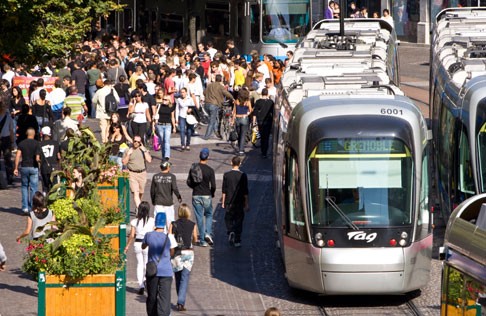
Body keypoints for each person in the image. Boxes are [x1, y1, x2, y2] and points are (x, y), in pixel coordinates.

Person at [142, 212, 177, 316]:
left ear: (155, 222)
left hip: (152, 271)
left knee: (152, 295)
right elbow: (172, 252)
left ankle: (151, 313)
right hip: (166, 271)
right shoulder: (169, 237)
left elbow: (143, 246)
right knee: (165, 297)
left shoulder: (149, 235)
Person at [169, 203, 197, 312]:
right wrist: (191, 241)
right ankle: (181, 302)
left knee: (178, 277)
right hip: (188, 253)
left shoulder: (173, 224)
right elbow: (195, 238)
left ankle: (180, 300)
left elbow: (169, 237)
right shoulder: (192, 224)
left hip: (176, 253)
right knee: (185, 277)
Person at [187, 148, 216, 247]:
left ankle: (203, 241)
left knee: (199, 217)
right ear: (208, 157)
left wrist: (194, 188)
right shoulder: (210, 170)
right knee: (208, 214)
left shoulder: (194, 168)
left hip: (196, 195)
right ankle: (208, 233)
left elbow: (189, 182)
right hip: (207, 195)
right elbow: (214, 186)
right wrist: (211, 193)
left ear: (199, 156)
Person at [125, 201, 155, 295]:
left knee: (139, 264)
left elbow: (132, 235)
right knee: (147, 264)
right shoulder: (152, 221)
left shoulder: (134, 221)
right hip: (148, 244)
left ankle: (141, 285)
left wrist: (127, 246)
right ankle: (146, 281)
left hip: (137, 244)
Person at [221, 156, 249, 248]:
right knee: (239, 220)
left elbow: (224, 190)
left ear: (231, 163)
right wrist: (246, 204)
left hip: (229, 201)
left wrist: (223, 202)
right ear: (240, 164)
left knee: (228, 218)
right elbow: (245, 191)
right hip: (240, 201)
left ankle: (231, 230)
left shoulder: (226, 175)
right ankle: (237, 240)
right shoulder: (243, 175)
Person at [14, 128, 40, 213]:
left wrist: (16, 168)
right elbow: (37, 158)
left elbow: (18, 156)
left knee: (24, 187)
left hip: (24, 167)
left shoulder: (22, 143)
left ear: (26, 134)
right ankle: (33, 207)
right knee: (34, 188)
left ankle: (25, 207)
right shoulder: (37, 144)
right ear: (34, 134)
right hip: (33, 167)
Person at [122, 134, 152, 208]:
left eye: (138, 142)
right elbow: (124, 162)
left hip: (142, 173)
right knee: (135, 192)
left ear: (140, 143)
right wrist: (128, 154)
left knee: (141, 192)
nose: (136, 143)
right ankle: (139, 210)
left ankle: (138, 206)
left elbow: (149, 160)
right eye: (135, 141)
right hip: (132, 173)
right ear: (132, 141)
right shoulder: (127, 150)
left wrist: (144, 150)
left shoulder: (143, 150)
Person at [151, 160, 182, 228]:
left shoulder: (155, 176)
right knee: (170, 221)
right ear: (167, 167)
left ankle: (159, 235)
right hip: (168, 202)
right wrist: (178, 196)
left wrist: (153, 200)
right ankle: (170, 235)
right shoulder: (172, 176)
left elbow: (152, 190)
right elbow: (174, 188)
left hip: (158, 201)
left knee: (158, 221)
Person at [203, 74, 234, 140]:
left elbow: (204, 92)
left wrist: (209, 96)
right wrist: (232, 98)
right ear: (221, 79)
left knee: (213, 119)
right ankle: (207, 136)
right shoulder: (220, 86)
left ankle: (216, 132)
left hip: (206, 104)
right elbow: (226, 93)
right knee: (212, 121)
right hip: (214, 104)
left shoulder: (209, 85)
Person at [153, 91, 176, 161]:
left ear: (169, 101)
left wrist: (174, 127)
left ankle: (167, 156)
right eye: (163, 99)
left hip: (168, 125)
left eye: (165, 100)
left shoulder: (171, 107)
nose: (164, 101)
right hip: (160, 125)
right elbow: (156, 115)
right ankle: (163, 155)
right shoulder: (159, 106)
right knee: (162, 141)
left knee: (167, 141)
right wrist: (154, 124)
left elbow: (172, 117)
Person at [252, 88, 274, 158]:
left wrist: (254, 122)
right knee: (267, 137)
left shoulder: (258, 102)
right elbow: (273, 113)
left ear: (261, 94)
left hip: (260, 121)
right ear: (267, 94)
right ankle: (265, 152)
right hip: (268, 121)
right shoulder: (271, 102)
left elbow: (255, 113)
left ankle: (262, 151)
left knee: (262, 136)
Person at [39, 126, 60, 195]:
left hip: (44, 167)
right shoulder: (55, 143)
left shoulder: (40, 144)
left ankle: (45, 200)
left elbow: (37, 158)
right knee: (54, 185)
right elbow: (59, 156)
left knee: (45, 186)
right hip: (54, 166)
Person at [233, 88, 252, 156]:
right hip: (244, 118)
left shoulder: (236, 101)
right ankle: (241, 150)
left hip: (237, 118)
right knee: (243, 134)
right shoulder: (247, 101)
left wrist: (233, 120)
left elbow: (234, 111)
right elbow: (250, 110)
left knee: (239, 133)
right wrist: (247, 114)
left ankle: (239, 147)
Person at [0, 99, 14, 185]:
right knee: (7, 159)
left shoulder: (7, 117)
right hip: (6, 139)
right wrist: (12, 142)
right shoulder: (8, 117)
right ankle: (9, 177)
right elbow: (11, 130)